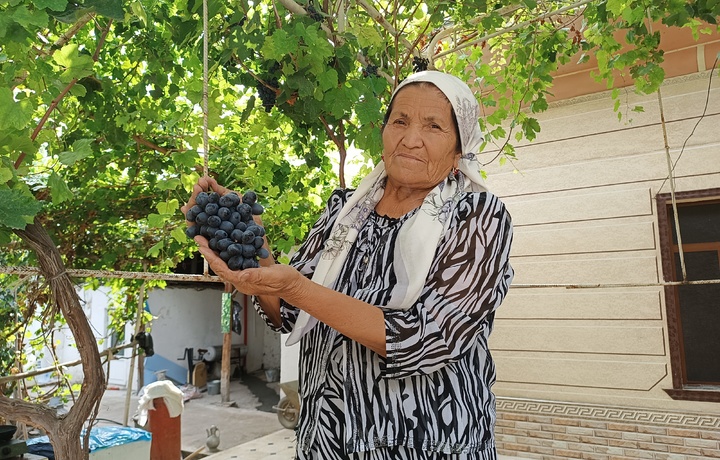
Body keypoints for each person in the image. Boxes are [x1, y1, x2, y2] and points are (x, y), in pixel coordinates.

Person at [182, 70, 514, 459]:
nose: (410, 139)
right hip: (327, 441)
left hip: (427, 444)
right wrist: (256, 255)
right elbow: (288, 313)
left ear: (460, 147)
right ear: (384, 130)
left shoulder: (478, 217)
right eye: (400, 121)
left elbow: (427, 338)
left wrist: (294, 287)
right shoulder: (344, 210)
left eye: (434, 126)